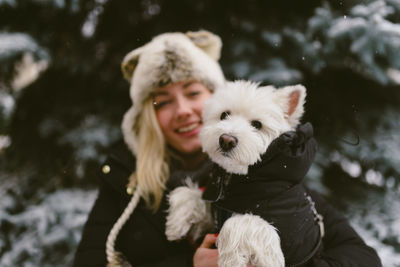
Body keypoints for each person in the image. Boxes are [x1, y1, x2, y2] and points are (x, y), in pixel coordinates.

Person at [73, 30, 382, 267]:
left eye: (192, 92)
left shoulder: (270, 175)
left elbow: (362, 258)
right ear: (147, 116)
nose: (181, 110)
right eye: (162, 101)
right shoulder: (125, 180)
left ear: (215, 96)